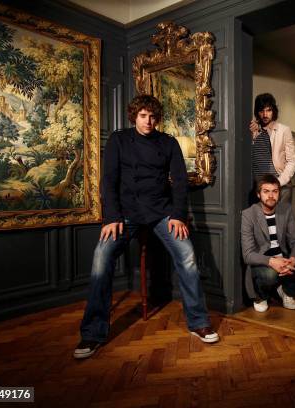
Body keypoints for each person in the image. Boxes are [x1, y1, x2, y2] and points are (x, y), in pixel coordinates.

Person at [73, 95, 219, 359]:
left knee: (187, 256)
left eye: (152, 116)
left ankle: (198, 322)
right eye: (143, 116)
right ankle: (93, 333)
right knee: (100, 257)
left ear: (157, 118)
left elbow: (180, 183)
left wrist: (177, 215)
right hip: (125, 214)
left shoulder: (169, 142)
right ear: (134, 116)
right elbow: (109, 181)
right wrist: (111, 218)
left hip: (162, 212)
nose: (148, 121)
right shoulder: (118, 140)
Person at [241, 174, 295, 312]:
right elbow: (248, 255)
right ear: (259, 194)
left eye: (275, 191)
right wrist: (272, 261)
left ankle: (286, 291)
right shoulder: (248, 214)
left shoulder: (286, 210)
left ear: (279, 193)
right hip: (263, 261)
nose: (271, 196)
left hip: (284, 258)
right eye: (266, 191)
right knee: (270, 275)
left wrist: (293, 259)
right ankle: (261, 296)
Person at [249, 93, 295, 203]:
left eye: (268, 110)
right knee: (259, 220)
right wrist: (253, 134)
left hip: (280, 186)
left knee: (281, 219)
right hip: (258, 187)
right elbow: (248, 157)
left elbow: (292, 161)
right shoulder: (253, 130)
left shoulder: (284, 131)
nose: (265, 114)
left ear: (274, 111)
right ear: (257, 112)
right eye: (261, 111)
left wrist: (279, 182)